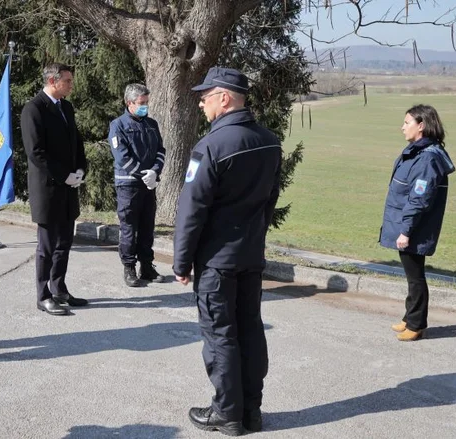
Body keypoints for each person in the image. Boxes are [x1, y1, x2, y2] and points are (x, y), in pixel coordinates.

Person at [173, 67, 282, 436]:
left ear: (225, 98)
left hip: (217, 261)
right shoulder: (269, 141)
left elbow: (192, 209)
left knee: (221, 335)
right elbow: (269, 201)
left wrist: (181, 260)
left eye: (206, 95)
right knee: (249, 329)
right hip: (250, 255)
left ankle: (227, 414)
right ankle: (251, 410)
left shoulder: (211, 147)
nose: (201, 101)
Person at [380, 104, 455, 342]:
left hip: (413, 229)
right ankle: (409, 316)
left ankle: (416, 324)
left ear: (421, 126)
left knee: (415, 277)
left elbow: (419, 199)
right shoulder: (418, 151)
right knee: (412, 274)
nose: (402, 127)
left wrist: (405, 231)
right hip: (408, 225)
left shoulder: (427, 158)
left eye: (406, 122)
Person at [21, 63, 89, 316]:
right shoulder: (34, 109)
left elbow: (76, 143)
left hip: (69, 187)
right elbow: (36, 152)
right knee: (47, 247)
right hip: (48, 189)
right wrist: (64, 176)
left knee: (64, 244)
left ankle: (59, 288)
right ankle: (43, 295)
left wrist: (81, 170)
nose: (71, 85)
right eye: (68, 81)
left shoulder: (66, 108)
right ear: (52, 81)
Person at [108, 84, 166, 287]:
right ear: (129, 103)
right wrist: (144, 174)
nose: (145, 107)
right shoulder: (118, 125)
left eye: (147, 103)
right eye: (141, 103)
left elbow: (160, 150)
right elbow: (122, 157)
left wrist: (155, 171)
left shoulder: (151, 124)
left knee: (147, 227)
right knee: (129, 228)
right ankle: (129, 267)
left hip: (148, 184)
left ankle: (147, 266)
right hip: (128, 185)